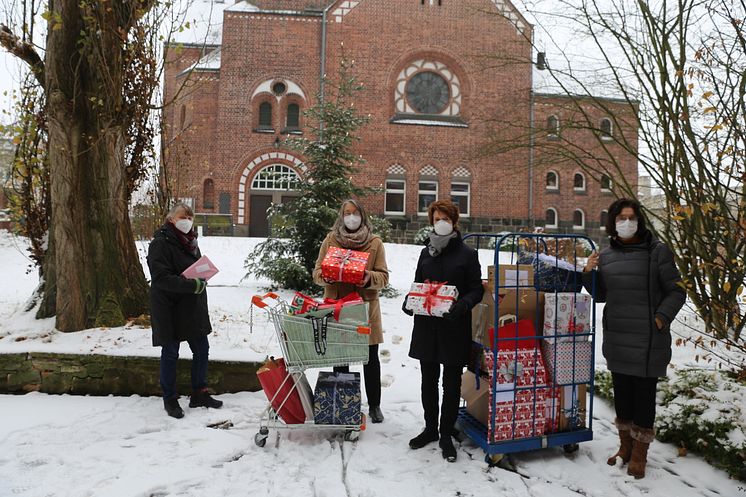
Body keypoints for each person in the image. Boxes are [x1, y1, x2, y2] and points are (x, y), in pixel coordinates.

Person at [583, 198, 685, 479]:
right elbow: (601, 295)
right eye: (620, 218)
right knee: (623, 397)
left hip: (648, 339)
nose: (626, 222)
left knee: (643, 399)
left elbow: (677, 291)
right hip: (617, 336)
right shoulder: (607, 255)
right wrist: (588, 273)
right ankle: (625, 448)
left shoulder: (657, 252)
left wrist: (661, 318)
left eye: (631, 217)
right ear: (612, 223)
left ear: (639, 220)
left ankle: (640, 454)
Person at [402, 199, 484, 462]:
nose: (442, 223)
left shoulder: (467, 254)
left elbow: (476, 289)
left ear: (454, 222)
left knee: (451, 383)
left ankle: (446, 433)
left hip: (453, 326)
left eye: (446, 218)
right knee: (428, 380)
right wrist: (409, 301)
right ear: (431, 221)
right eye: (437, 218)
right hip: (427, 325)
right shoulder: (426, 252)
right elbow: (418, 283)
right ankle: (430, 428)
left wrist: (462, 306)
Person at [312, 199, 390, 424]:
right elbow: (317, 271)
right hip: (338, 306)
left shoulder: (375, 243)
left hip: (366, 307)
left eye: (355, 213)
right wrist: (325, 275)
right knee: (341, 356)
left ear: (363, 216)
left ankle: (374, 405)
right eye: (347, 213)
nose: (351, 217)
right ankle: (343, 400)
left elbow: (384, 277)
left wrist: (369, 277)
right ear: (341, 215)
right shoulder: (331, 240)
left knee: (370, 357)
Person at [147, 203, 222, 419]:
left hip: (190, 307)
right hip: (169, 307)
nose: (187, 219)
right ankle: (170, 398)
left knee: (201, 348)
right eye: (183, 216)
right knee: (170, 353)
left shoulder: (191, 242)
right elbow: (160, 278)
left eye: (190, 216)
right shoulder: (160, 243)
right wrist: (192, 285)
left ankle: (200, 392)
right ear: (171, 219)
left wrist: (202, 277)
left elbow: (192, 268)